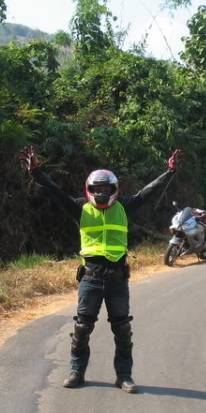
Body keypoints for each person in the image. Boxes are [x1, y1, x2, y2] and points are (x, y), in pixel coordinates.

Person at [20, 146, 183, 393]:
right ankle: (76, 372)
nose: (101, 193)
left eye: (106, 189)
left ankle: (124, 376)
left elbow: (149, 192)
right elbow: (55, 192)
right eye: (96, 189)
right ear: (89, 190)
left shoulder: (125, 206)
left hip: (118, 280)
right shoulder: (80, 208)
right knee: (82, 328)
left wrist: (169, 171)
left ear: (114, 190)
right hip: (90, 279)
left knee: (122, 329)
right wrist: (36, 172)